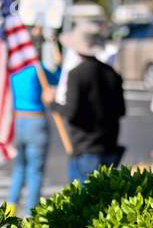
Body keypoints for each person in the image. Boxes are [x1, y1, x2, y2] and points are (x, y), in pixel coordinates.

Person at [60, 25, 125, 182]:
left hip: (85, 148)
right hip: (109, 146)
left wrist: (52, 105)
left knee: (82, 201)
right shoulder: (111, 73)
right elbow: (121, 110)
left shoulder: (76, 74)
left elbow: (71, 111)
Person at [7, 30, 61, 215]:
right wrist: (54, 45)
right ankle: (31, 213)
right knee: (35, 171)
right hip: (36, 121)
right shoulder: (38, 71)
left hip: (18, 120)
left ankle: (10, 208)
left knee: (20, 167)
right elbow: (59, 76)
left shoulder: (14, 71)